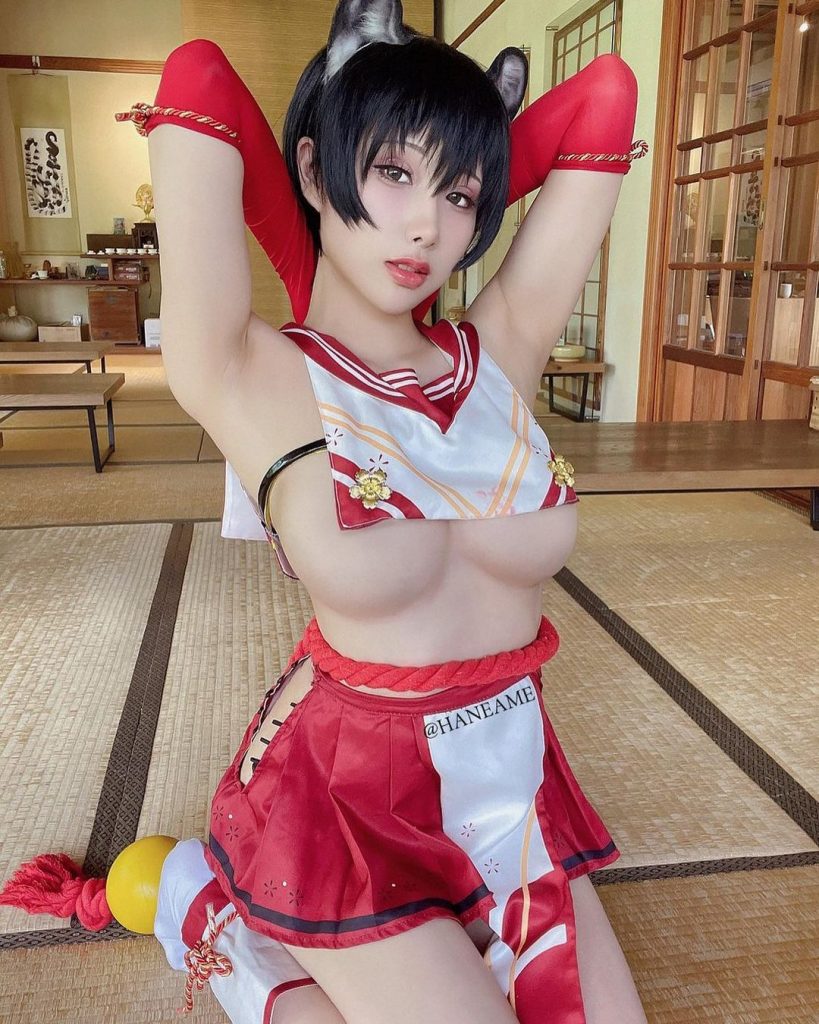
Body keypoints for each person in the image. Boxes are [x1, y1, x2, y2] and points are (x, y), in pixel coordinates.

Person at [118, 1, 649, 1020]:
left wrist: (451, 155)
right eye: (394, 172)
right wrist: (317, 221)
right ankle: (209, 909)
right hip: (351, 795)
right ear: (316, 168)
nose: (427, 228)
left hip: (510, 777)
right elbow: (197, 77)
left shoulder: (501, 347)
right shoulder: (250, 371)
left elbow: (606, 99)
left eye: (460, 196)